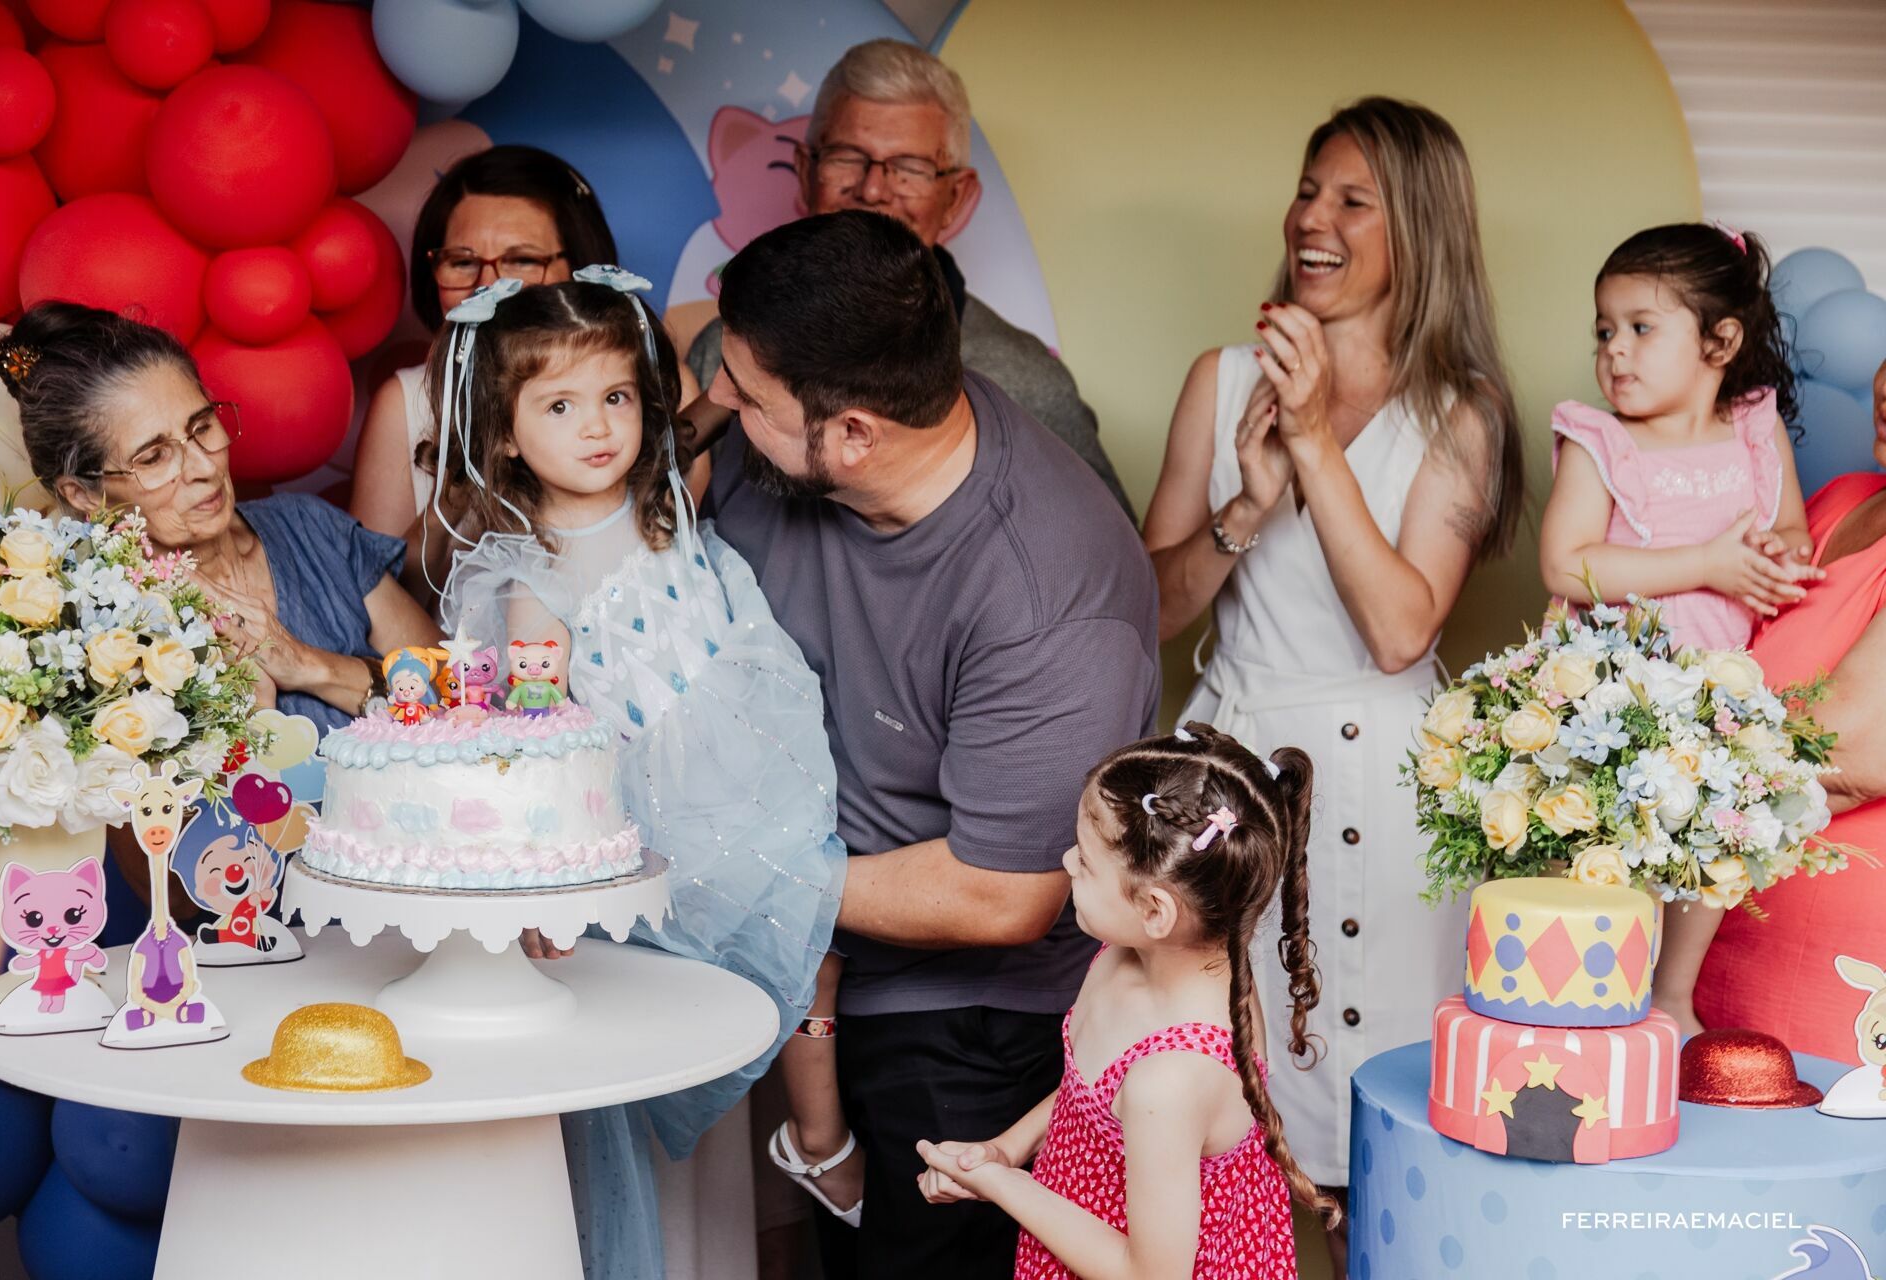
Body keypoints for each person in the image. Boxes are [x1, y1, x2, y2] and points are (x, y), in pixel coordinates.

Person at [704, 209, 1160, 1279]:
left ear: (855, 434)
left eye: (748, 396)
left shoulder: (1050, 593)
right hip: (801, 964)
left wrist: (730, 875)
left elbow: (1001, 896)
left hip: (968, 1022)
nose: (716, 402)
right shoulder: (786, 446)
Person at [1143, 97, 1522, 1265]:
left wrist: (1312, 440)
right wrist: (1246, 508)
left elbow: (1401, 629)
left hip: (1399, 797)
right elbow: (1150, 607)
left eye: (1353, 200)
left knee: (1393, 1125)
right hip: (1237, 785)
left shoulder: (1460, 413)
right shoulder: (1220, 379)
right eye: (1309, 190)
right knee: (1216, 1116)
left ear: (1418, 230)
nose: (1313, 218)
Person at [422, 269, 845, 1280]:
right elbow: (539, 738)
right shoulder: (529, 577)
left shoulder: (668, 502)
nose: (598, 427)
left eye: (615, 396)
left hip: (741, 793)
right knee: (647, 1071)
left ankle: (807, 1149)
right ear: (505, 433)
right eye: (560, 406)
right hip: (641, 838)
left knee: (768, 990)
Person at [1538, 222, 1821, 1037]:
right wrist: (1707, 563)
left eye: (1640, 328)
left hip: (1719, 700)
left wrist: (1778, 554)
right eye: (1604, 331)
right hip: (1615, 699)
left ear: (1719, 342)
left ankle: (1673, 995)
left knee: (1713, 845)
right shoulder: (1601, 441)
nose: (1615, 352)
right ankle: (1590, 1002)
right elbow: (1566, 565)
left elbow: (1792, 530)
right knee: (1608, 858)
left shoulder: (1753, 430)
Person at [915, 724, 1329, 1280]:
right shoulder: (1128, 954)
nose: (1067, 861)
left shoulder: (1173, 1077)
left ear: (1155, 910)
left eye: (1086, 861)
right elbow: (1087, 1096)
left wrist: (1004, 1185)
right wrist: (1006, 1149)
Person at [684, 38, 1134, 521]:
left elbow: (1102, 547)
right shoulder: (726, 351)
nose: (873, 189)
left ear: (956, 198)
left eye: (910, 168)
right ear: (804, 171)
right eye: (845, 157)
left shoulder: (1024, 378)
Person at [0, 302, 440, 738]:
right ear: (85, 495)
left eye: (203, 427)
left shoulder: (308, 527)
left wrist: (309, 665)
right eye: (154, 457)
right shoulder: (96, 638)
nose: (205, 467)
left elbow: (456, 689)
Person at [347, 146, 676, 593]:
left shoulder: (644, 376)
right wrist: (462, 479)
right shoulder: (402, 402)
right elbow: (374, 597)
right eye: (463, 262)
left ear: (580, 268)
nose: (490, 286)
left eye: (522, 260)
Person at [1695, 352, 1886, 1057]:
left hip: (1833, 991)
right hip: (1709, 955)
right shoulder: (1841, 500)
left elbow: (1849, 752)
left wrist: (1659, 772)